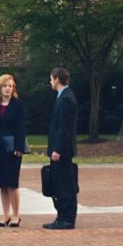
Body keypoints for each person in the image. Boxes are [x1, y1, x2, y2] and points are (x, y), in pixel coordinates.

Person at [0, 73, 28, 228]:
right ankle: (6, 215)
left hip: (12, 148)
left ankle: (16, 215)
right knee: (2, 184)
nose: (8, 89)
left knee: (12, 183)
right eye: (5, 86)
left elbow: (21, 127)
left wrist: (19, 147)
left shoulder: (18, 105)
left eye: (10, 86)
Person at [44, 67, 80, 230]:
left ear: (57, 79)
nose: (50, 82)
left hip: (62, 150)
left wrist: (57, 149)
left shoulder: (66, 98)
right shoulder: (64, 96)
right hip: (61, 148)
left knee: (65, 184)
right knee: (60, 183)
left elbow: (64, 127)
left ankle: (66, 218)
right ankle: (62, 216)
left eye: (51, 79)